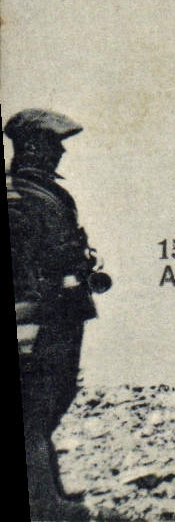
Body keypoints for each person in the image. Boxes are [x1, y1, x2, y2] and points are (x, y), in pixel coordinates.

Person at [9, 109, 110, 520]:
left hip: (59, 313)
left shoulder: (40, 192)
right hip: (45, 315)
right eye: (54, 144)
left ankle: (49, 492)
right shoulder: (22, 196)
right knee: (36, 407)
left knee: (51, 397)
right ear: (35, 147)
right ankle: (44, 504)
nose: (61, 151)